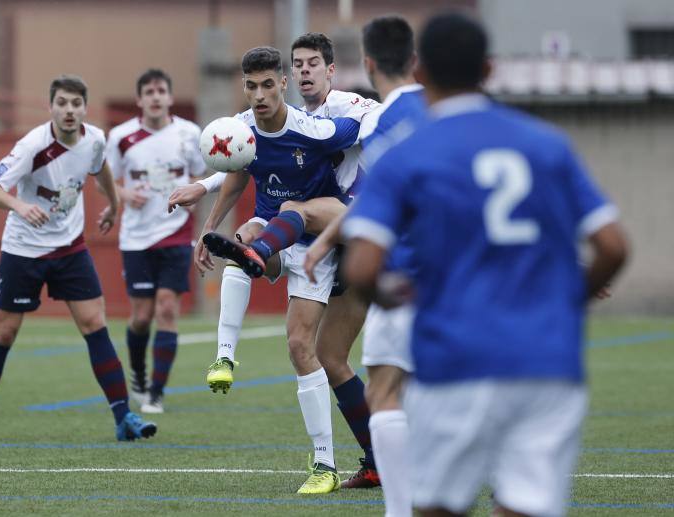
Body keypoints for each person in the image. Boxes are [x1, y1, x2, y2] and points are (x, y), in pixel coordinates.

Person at [342, 13, 628, 517]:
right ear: (490, 69)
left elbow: (363, 270)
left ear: (421, 72)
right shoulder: (545, 142)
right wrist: (565, 297)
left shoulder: (403, 152)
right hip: (546, 359)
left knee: (435, 506)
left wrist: (396, 295)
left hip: (456, 358)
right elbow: (612, 246)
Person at [169, 33, 381, 488]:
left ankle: (254, 254)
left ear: (330, 71)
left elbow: (382, 120)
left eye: (312, 64)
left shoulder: (347, 109)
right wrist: (205, 194)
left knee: (290, 215)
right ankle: (377, 458)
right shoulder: (266, 120)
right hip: (310, 235)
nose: (305, 71)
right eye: (299, 63)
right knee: (326, 355)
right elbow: (239, 160)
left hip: (352, 226)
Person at [0, 75, 157, 443]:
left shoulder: (94, 139)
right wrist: (19, 205)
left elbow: (100, 167)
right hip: (23, 249)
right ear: (51, 107)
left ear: (84, 108)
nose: (70, 110)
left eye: (76, 103)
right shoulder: (32, 145)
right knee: (5, 332)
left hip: (69, 247)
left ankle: (124, 417)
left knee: (94, 323)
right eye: (62, 103)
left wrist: (113, 202)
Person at [304, 15, 426, 515]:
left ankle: (403, 501)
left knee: (386, 386)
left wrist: (323, 236)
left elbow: (377, 200)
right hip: (462, 272)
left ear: (366, 64)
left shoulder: (376, 122)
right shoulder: (451, 110)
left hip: (404, 271)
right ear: (415, 61)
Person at [105, 69, 205, 414]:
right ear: (139, 100)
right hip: (135, 237)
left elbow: (202, 175)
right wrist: (121, 193)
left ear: (170, 97)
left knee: (166, 308)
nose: (156, 97)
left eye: (161, 90)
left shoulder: (189, 134)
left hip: (176, 232)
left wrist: (192, 193)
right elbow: (104, 179)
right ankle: (139, 375)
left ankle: (157, 392)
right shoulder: (121, 137)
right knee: (142, 315)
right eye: (149, 91)